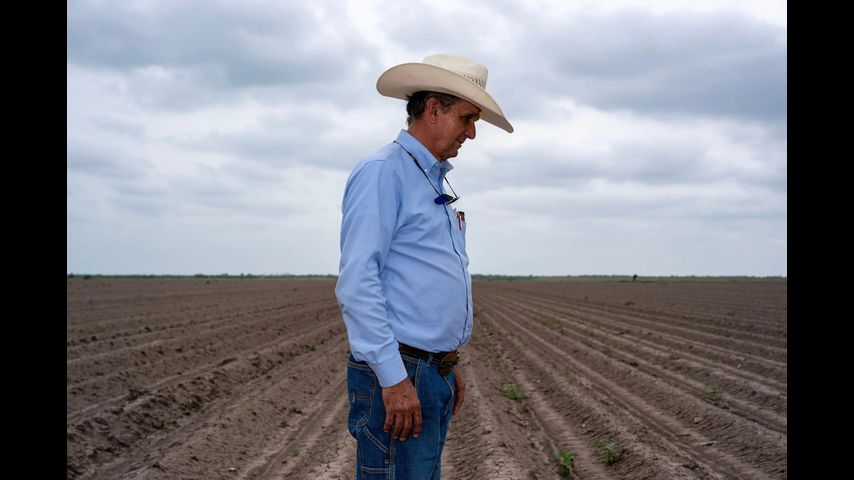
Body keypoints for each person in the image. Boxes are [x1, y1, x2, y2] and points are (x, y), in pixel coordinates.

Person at [335, 53, 513, 479]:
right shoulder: (384, 172)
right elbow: (359, 283)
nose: (472, 133)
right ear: (434, 109)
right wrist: (395, 380)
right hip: (400, 374)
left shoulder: (430, 177)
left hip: (428, 372)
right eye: (468, 118)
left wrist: (445, 367)